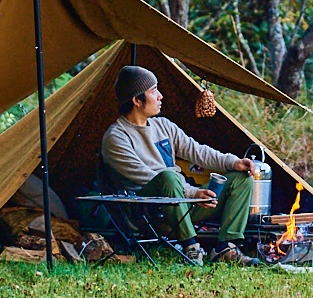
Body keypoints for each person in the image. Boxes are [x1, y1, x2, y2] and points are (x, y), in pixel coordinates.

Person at [99, 64, 257, 266]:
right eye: (153, 91)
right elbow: (145, 177)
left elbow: (197, 151)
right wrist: (192, 194)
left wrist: (233, 162)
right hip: (151, 212)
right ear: (136, 100)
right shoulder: (116, 138)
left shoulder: (163, 125)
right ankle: (191, 248)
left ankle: (225, 247)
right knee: (168, 176)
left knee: (241, 178)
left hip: (184, 202)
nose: (160, 96)